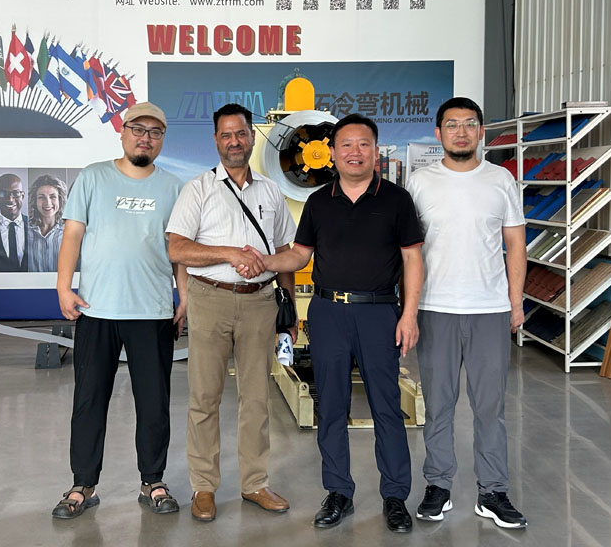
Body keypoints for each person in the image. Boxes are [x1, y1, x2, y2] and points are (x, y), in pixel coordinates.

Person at [239, 113, 424, 533]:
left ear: (375, 152)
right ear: (333, 153)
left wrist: (409, 315)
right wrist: (265, 262)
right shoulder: (319, 202)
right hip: (328, 313)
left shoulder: (397, 200)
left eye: (363, 144)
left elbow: (412, 259)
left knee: (387, 406)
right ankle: (338, 491)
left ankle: (395, 496)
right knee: (333, 406)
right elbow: (299, 255)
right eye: (346, 145)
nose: (355, 152)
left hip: (378, 312)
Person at [51, 102, 187, 520]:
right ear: (123, 132)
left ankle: (153, 481)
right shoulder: (93, 177)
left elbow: (178, 249)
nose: (146, 138)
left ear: (162, 140)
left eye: (155, 132)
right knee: (89, 400)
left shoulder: (173, 187)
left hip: (152, 310)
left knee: (154, 402)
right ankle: (82, 484)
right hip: (97, 309)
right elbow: (72, 234)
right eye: (138, 129)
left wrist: (184, 297)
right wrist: (63, 286)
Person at [166, 103, 296, 523]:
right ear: (216, 140)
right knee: (204, 397)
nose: (234, 142)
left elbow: (285, 251)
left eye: (241, 134)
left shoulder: (271, 192)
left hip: (260, 303)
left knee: (256, 398)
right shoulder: (198, 189)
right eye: (226, 135)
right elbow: (177, 248)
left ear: (252, 137)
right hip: (210, 298)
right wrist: (229, 253)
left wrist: (289, 309)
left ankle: (255, 483)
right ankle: (204, 487)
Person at [405, 97, 528, 529]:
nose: (461, 132)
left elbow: (516, 243)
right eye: (452, 124)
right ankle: (438, 485)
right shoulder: (419, 182)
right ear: (438, 133)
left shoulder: (501, 179)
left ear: (481, 131)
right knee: (438, 406)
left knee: (490, 407)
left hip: (489, 310)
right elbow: (408, 251)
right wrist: (408, 309)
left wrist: (515, 302)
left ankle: (492, 491)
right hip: (435, 308)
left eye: (470, 124)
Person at [0, 173, 29, 272]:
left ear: (22, 196)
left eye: (16, 193)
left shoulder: (36, 226)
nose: (10, 199)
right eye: (3, 193)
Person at [27, 174, 67, 272]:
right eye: (41, 197)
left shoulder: (70, 232)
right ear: (35, 201)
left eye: (53, 197)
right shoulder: (24, 232)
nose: (47, 203)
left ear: (60, 200)